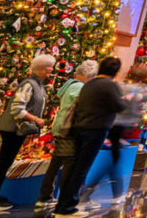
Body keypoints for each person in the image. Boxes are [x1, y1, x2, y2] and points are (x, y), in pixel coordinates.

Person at [53, 57, 127, 217]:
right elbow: (119, 106)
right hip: (96, 130)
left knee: (74, 167)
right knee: (81, 168)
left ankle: (62, 205)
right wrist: (127, 100)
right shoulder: (110, 85)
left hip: (79, 128)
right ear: (116, 71)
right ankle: (67, 207)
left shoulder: (89, 84)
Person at [0, 54, 54, 213]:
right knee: (4, 163)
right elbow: (17, 108)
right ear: (42, 68)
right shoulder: (29, 84)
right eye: (49, 67)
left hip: (14, 130)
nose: (51, 70)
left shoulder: (37, 84)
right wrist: (37, 120)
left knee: (5, 163)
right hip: (11, 129)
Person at [80, 66, 147, 205]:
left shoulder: (125, 87)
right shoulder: (134, 89)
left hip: (115, 126)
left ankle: (102, 192)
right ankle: (91, 193)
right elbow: (130, 105)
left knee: (114, 160)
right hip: (118, 127)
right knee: (113, 161)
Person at [36, 60, 98, 209]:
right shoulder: (80, 88)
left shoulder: (69, 85)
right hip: (69, 130)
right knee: (69, 166)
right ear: (90, 75)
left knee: (56, 162)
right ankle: (65, 200)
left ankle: (45, 197)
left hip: (60, 128)